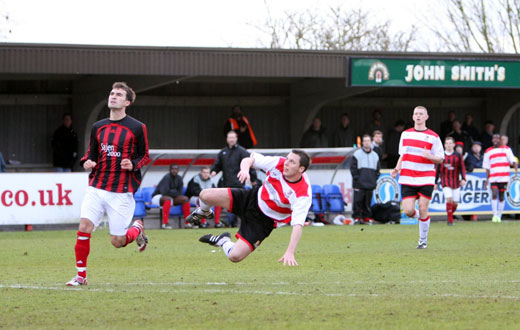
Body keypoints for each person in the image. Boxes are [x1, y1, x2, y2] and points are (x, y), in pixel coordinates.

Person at [66, 82, 149, 286]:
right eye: (112, 93)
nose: (113, 96)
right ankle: (80, 276)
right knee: (84, 227)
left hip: (120, 191)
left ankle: (137, 228)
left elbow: (145, 155)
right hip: (96, 186)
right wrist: (87, 161)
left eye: (119, 94)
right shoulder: (98, 126)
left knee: (117, 242)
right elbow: (91, 153)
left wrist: (133, 164)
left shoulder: (137, 127)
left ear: (127, 102)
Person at [187, 150, 312, 266]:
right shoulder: (278, 163)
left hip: (263, 221)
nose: (286, 163)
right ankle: (203, 211)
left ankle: (224, 241)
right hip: (251, 198)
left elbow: (297, 226)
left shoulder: (302, 193)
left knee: (234, 256)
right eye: (287, 159)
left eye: (292, 162)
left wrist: (290, 252)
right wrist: (245, 170)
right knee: (205, 195)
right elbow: (248, 160)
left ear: (301, 169)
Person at [391, 106, 444, 249]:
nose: (418, 116)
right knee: (408, 211)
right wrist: (397, 168)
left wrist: (430, 156)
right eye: (416, 114)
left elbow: (440, 159)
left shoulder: (434, 137)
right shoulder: (405, 134)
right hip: (408, 176)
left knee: (422, 207)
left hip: (426, 177)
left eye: (421, 114)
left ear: (427, 117)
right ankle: (423, 220)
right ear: (413, 117)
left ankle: (422, 241)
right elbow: (403, 155)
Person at [211, 130, 254, 227]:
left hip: (238, 183)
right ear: (227, 139)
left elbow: (249, 165)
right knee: (232, 203)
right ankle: (232, 222)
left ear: (236, 138)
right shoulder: (223, 152)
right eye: (229, 137)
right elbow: (218, 164)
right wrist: (214, 171)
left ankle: (227, 221)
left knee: (234, 202)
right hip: (226, 183)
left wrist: (253, 179)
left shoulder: (242, 152)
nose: (231, 139)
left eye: (232, 137)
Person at [483, 134, 518, 223]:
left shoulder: (506, 149)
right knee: (494, 194)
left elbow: (513, 160)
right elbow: (487, 167)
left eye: (497, 138)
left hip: (504, 177)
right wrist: (487, 180)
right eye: (493, 138)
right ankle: (495, 215)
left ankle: (499, 215)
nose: (495, 140)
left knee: (502, 196)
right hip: (493, 177)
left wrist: (516, 170)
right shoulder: (488, 151)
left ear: (500, 140)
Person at [436, 137, 466, 226]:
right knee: (449, 199)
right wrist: (435, 182)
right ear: (444, 145)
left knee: (455, 203)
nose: (448, 145)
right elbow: (437, 169)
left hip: (456, 181)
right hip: (445, 181)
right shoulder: (441, 156)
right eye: (447, 143)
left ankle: (450, 215)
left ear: (453, 144)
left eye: (450, 143)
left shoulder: (458, 155)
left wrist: (464, 178)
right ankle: (450, 221)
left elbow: (462, 167)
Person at [351, 134, 380, 225]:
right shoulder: (357, 154)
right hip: (359, 184)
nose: (367, 143)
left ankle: (366, 217)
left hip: (370, 183)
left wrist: (374, 179)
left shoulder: (375, 155)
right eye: (365, 141)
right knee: (358, 201)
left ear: (371, 142)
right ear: (363, 143)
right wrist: (357, 179)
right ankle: (357, 217)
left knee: (367, 202)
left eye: (368, 141)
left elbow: (377, 170)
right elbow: (353, 168)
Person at [152, 164, 192, 229]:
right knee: (168, 199)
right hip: (158, 197)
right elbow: (164, 192)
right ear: (170, 170)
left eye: (176, 169)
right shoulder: (166, 177)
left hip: (171, 197)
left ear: (178, 170)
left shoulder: (179, 178)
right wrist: (174, 192)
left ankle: (187, 223)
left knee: (185, 199)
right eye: (172, 169)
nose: (174, 171)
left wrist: (172, 192)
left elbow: (180, 192)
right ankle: (165, 224)